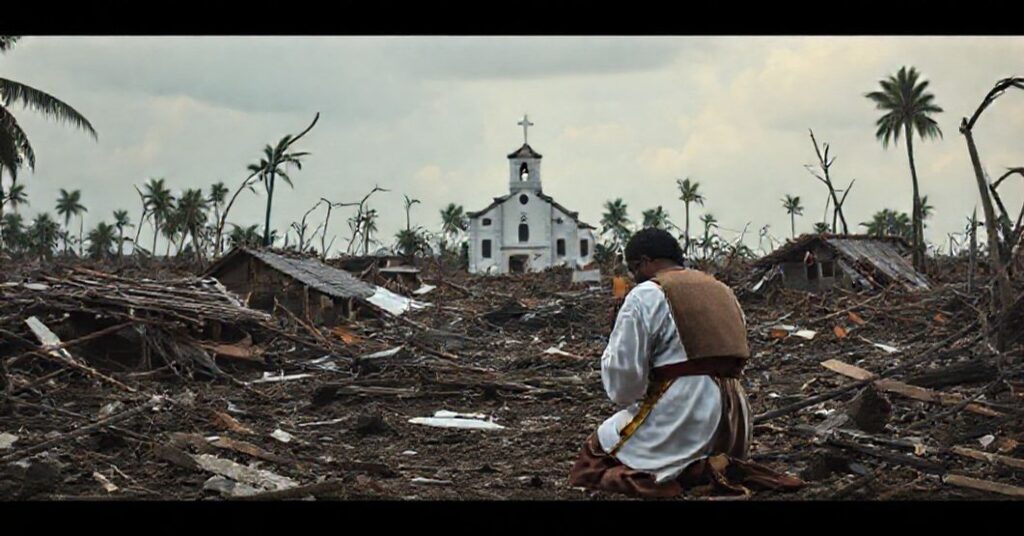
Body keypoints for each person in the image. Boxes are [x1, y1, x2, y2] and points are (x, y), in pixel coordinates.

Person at [568, 228, 802, 497]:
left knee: (594, 456)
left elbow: (625, 383)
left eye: (634, 270)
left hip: (682, 408)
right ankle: (706, 466)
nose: (634, 278)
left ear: (643, 262)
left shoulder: (647, 294)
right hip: (734, 418)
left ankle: (677, 478)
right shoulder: (721, 289)